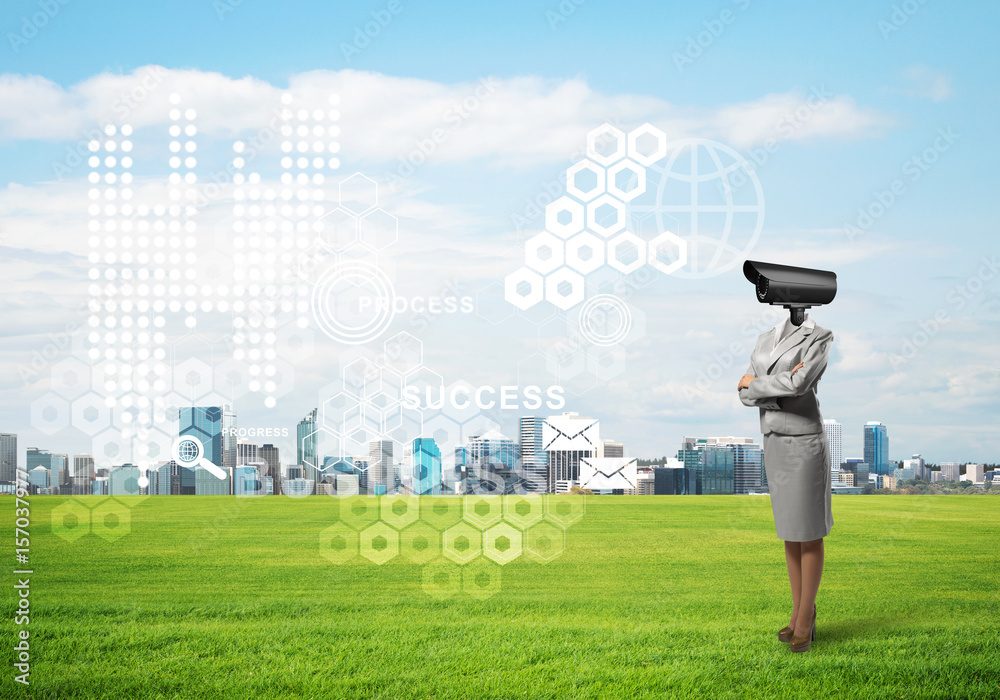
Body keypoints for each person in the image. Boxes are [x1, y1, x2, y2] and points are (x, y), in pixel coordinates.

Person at [737, 312, 834, 653]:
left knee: (808, 532)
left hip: (804, 442)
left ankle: (806, 617)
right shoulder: (766, 337)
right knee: (790, 532)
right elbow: (743, 394)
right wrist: (777, 386)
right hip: (774, 439)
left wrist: (757, 384)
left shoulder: (819, 336)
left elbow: (800, 384)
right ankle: (797, 611)